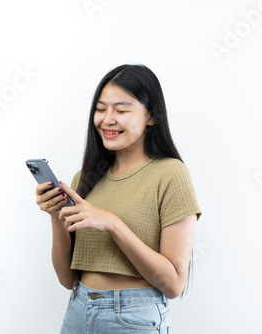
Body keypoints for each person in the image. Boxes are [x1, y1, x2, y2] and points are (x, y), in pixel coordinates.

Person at [35, 64, 201, 333]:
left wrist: (112, 223)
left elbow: (173, 284)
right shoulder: (85, 178)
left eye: (121, 110)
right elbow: (66, 278)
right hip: (78, 309)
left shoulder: (171, 174)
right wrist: (56, 216)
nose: (107, 119)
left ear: (151, 117)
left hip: (134, 318)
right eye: (101, 109)